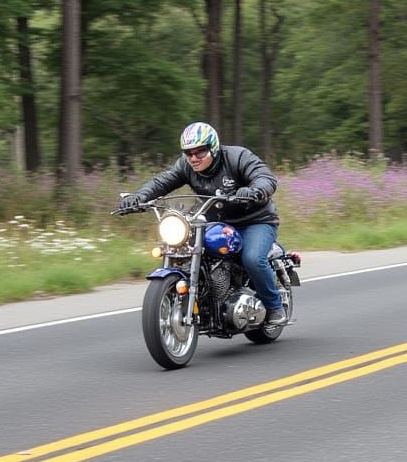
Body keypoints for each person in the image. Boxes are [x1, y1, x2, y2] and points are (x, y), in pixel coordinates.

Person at [119, 122, 287, 326]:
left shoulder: (237, 157)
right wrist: (139, 196)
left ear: (213, 148)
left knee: (251, 258)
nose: (194, 158)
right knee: (183, 249)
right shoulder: (185, 166)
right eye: (188, 153)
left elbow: (264, 176)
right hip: (216, 219)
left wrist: (255, 190)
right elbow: (161, 182)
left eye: (200, 152)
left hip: (255, 220)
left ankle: (274, 306)